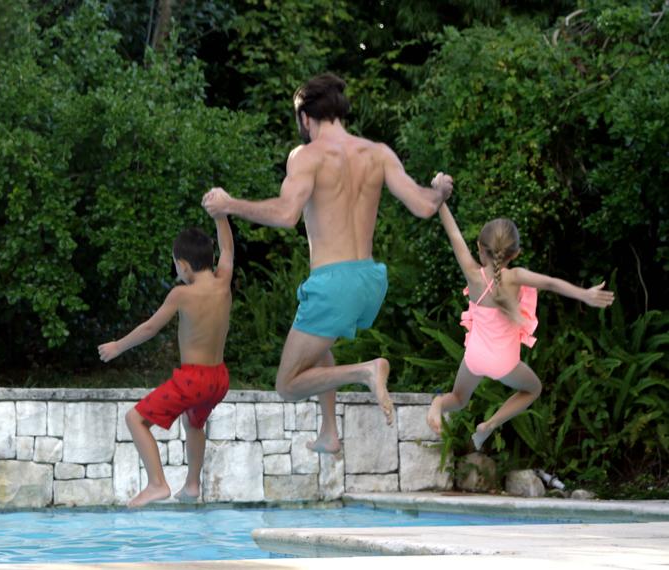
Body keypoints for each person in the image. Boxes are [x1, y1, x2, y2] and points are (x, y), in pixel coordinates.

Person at [202, 73, 452, 453]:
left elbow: (287, 214)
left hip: (333, 283)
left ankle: (365, 371)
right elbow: (424, 206)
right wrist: (440, 190)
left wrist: (229, 204)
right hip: (369, 280)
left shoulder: (307, 156)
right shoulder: (378, 152)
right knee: (319, 346)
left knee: (287, 385)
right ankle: (329, 432)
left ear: (305, 117)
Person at [427, 202, 615, 449]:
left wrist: (440, 197)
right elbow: (551, 283)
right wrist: (584, 294)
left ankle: (437, 404)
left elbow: (453, 234)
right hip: (504, 363)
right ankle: (489, 425)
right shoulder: (516, 277)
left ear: (480, 249)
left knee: (459, 398)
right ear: (514, 254)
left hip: (474, 357)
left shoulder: (473, 275)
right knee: (533, 389)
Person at [97, 213, 234, 507]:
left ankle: (157, 484)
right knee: (194, 423)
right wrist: (221, 216)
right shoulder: (224, 283)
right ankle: (193, 484)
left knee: (135, 419)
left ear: (183, 265)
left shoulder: (181, 294)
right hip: (219, 379)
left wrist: (117, 347)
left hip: (193, 379)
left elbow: (150, 328)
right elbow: (229, 250)